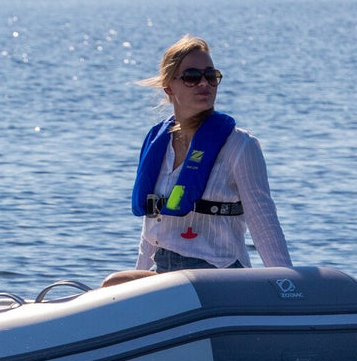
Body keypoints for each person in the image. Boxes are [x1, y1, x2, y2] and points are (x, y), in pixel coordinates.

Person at [102, 35, 291, 287]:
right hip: (167, 275)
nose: (204, 84)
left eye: (211, 76)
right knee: (114, 284)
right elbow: (154, 223)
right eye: (192, 77)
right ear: (169, 87)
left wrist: (288, 285)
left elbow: (264, 222)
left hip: (219, 274)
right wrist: (137, 280)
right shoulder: (158, 145)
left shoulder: (241, 146)